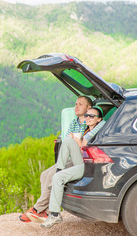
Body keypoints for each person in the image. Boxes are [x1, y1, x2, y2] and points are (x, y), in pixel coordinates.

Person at [19, 95, 93, 223]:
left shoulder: (90, 123)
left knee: (53, 175)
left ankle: (37, 209)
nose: (76, 106)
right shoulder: (74, 122)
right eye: (76, 104)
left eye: (80, 104)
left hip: (81, 160)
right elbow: (67, 142)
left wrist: (76, 142)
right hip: (70, 157)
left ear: (89, 108)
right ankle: (45, 212)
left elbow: (83, 145)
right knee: (44, 175)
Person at [40, 107, 106, 228]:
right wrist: (76, 140)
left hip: (90, 166)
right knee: (67, 141)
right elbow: (82, 148)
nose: (88, 118)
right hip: (83, 160)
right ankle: (59, 169)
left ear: (99, 119)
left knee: (58, 178)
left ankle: (55, 215)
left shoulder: (100, 127)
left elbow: (85, 145)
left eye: (92, 116)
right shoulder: (87, 130)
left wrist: (80, 141)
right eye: (87, 115)